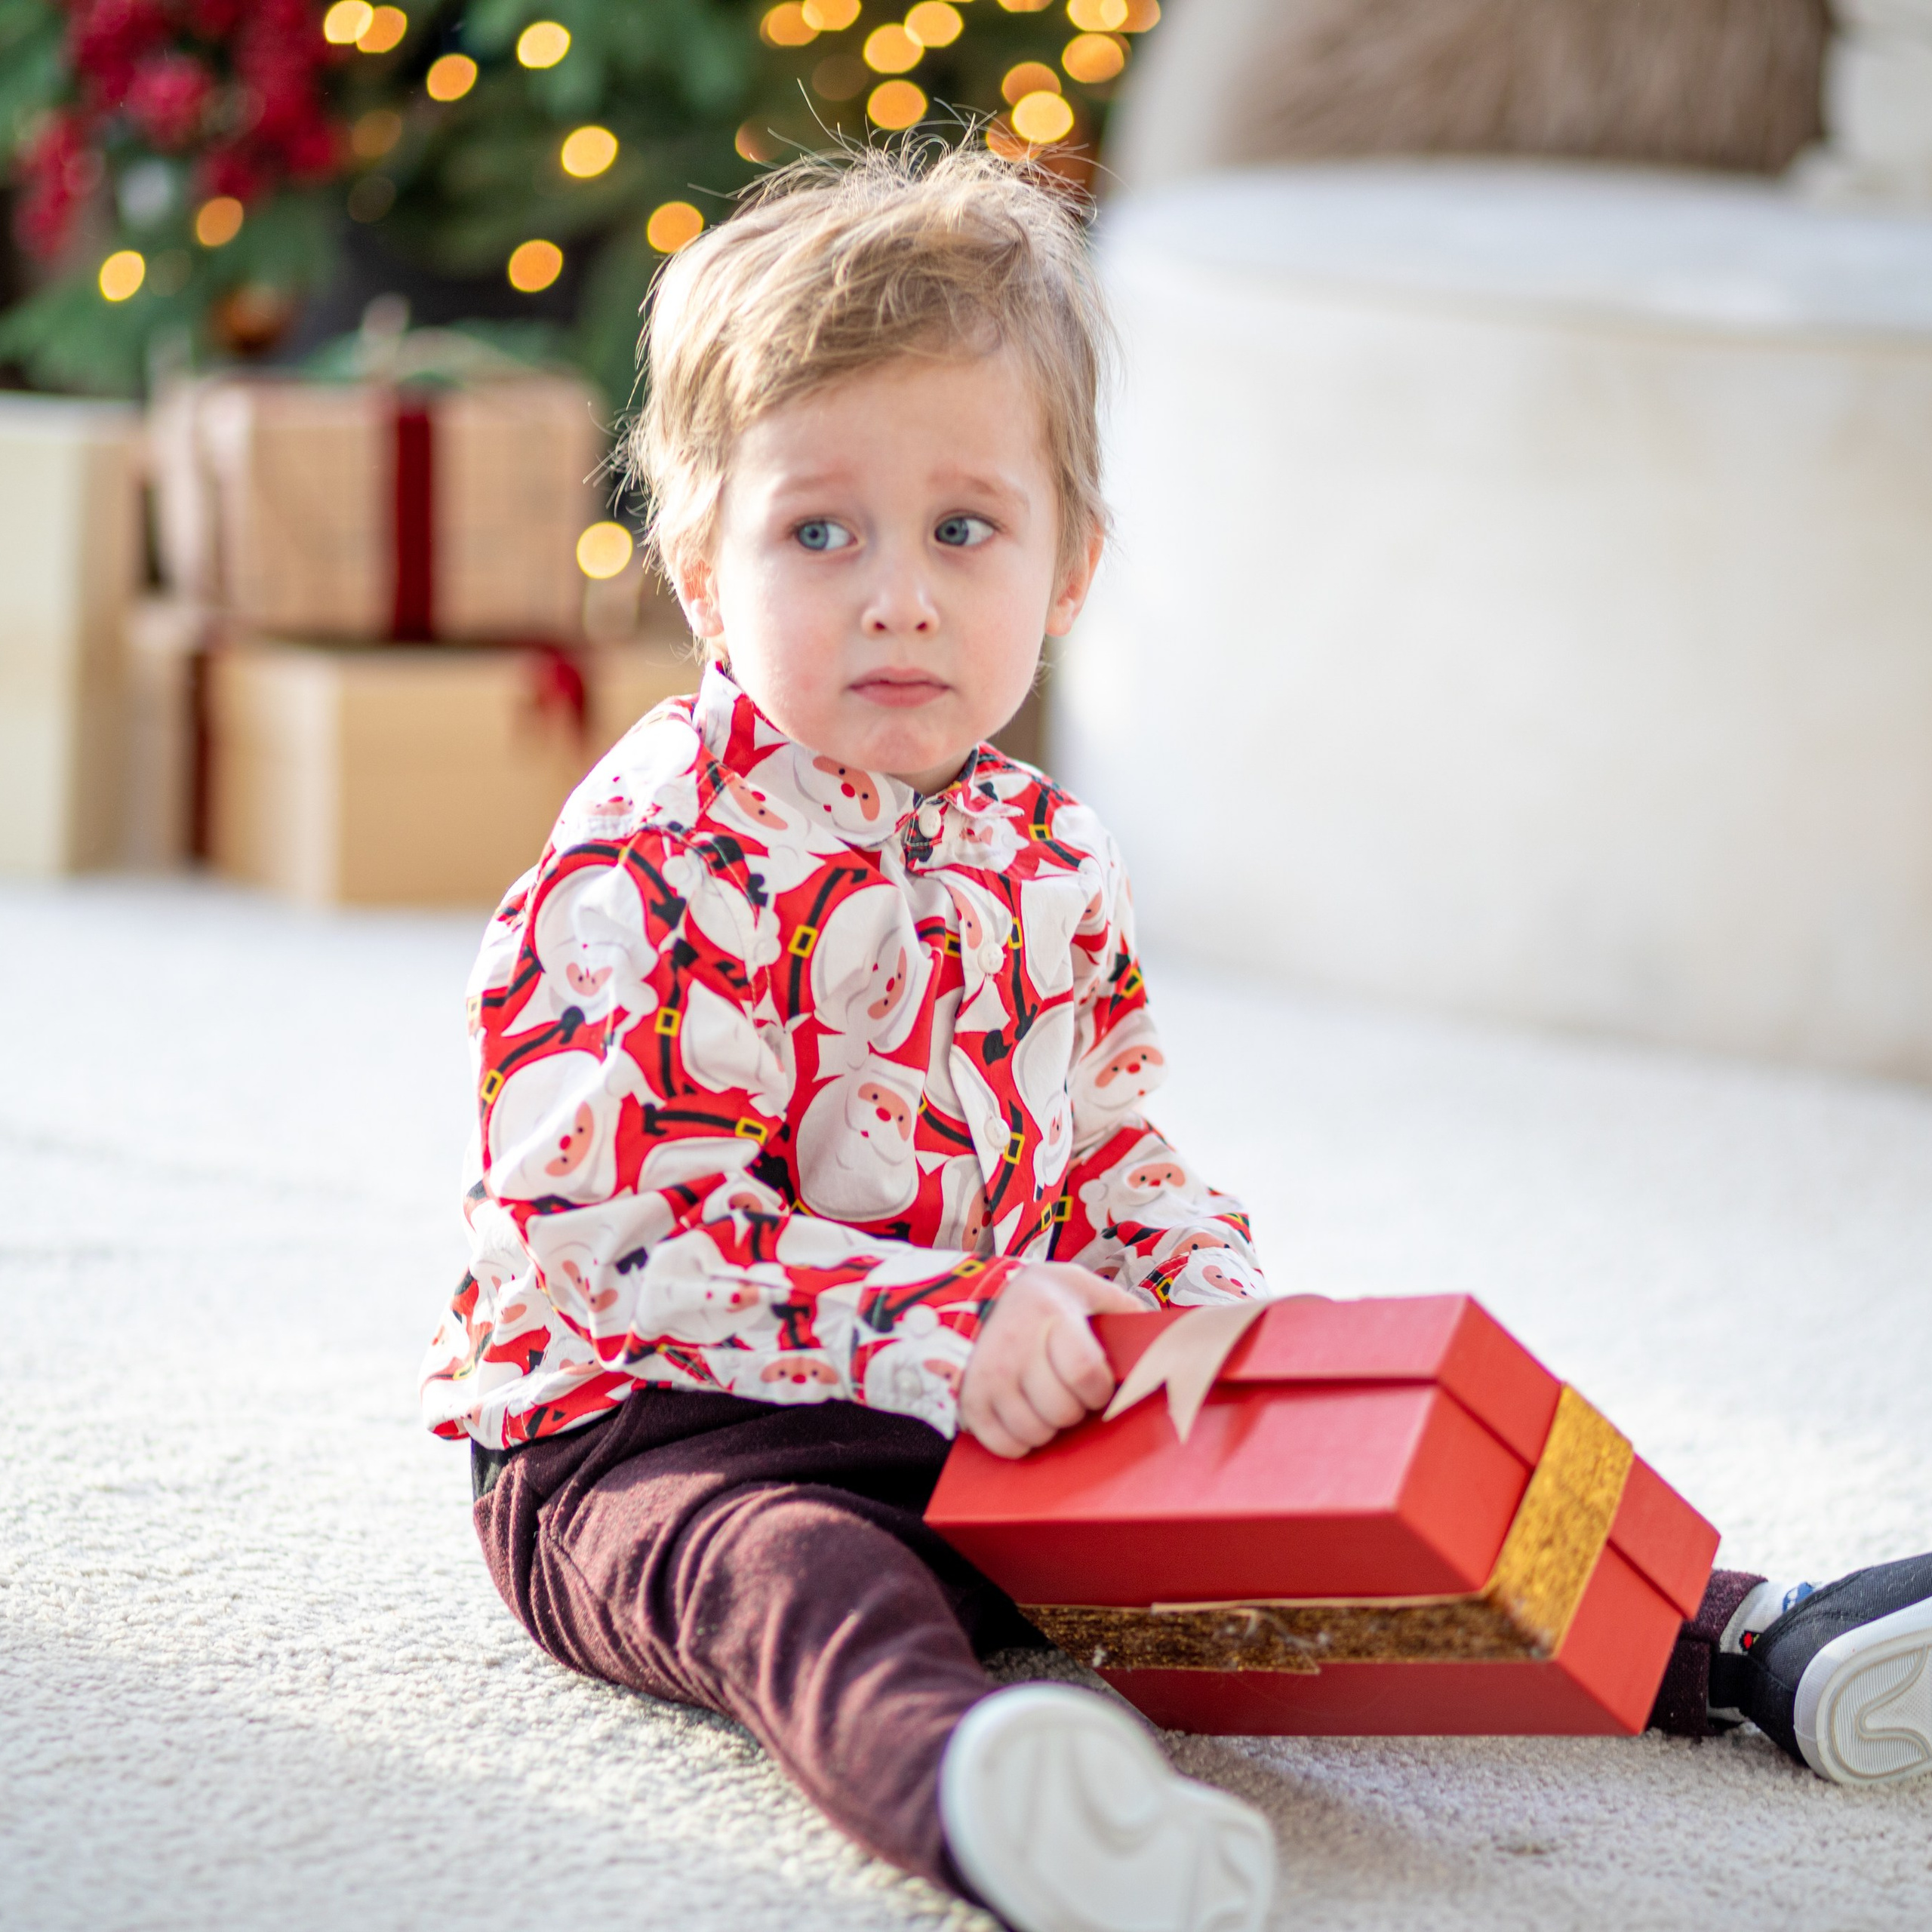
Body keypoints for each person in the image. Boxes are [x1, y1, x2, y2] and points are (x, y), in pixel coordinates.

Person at [419, 145, 1932, 1932]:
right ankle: (983, 1788)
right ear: (698, 570)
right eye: (818, 530)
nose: (895, 591)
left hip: (973, 1399)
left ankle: (1742, 1635)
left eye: (960, 528)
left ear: (1068, 571)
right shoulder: (641, 862)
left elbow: (1110, 1153)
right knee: (798, 1577)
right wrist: (942, 1321)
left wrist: (1204, 1304)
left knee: (1334, 1453)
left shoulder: (1049, 860)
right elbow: (608, 1238)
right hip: (654, 1430)